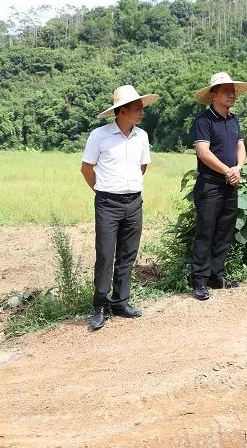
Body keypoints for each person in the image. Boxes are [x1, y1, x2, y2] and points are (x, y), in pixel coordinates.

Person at [81, 85, 159, 331]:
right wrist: (104, 191)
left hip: (134, 202)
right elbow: (86, 168)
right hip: (108, 203)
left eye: (142, 108)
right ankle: (100, 305)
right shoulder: (99, 136)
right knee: (105, 255)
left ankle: (121, 301)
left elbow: (142, 167)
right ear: (121, 111)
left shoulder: (142, 136)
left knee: (127, 255)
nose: (141, 113)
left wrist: (128, 187)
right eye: (137, 109)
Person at [189, 72, 247, 301]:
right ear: (213, 94)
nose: (231, 94)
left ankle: (216, 276)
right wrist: (227, 171)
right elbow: (203, 153)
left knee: (225, 230)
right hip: (210, 184)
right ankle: (200, 281)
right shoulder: (203, 121)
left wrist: (238, 169)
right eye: (226, 91)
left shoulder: (234, 119)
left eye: (232, 91)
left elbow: (240, 147)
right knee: (205, 231)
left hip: (231, 183)